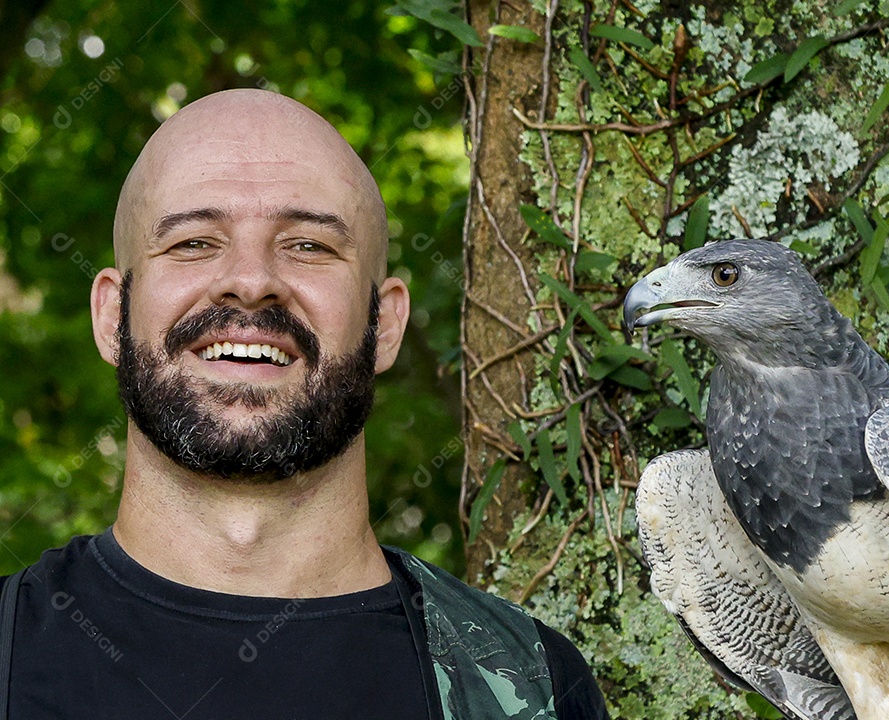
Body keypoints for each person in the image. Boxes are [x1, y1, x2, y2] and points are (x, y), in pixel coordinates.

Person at [0, 89, 609, 719]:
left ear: (387, 324)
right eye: (193, 242)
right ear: (110, 315)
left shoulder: (532, 687)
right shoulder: (5, 649)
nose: (252, 280)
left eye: (309, 246)